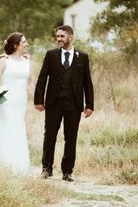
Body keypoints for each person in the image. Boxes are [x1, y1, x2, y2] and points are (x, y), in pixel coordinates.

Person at [34, 25, 94, 182]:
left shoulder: (83, 57)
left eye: (62, 36)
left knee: (71, 138)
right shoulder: (51, 55)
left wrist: (89, 104)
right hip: (53, 103)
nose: (59, 39)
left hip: (74, 104)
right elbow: (42, 78)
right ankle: (46, 169)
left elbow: (88, 82)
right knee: (50, 136)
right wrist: (38, 100)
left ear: (70, 37)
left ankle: (67, 171)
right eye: (57, 36)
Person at [0, 32, 34, 174]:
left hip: (21, 101)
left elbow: (30, 83)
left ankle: (18, 165)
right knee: (7, 127)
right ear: (15, 45)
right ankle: (3, 164)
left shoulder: (26, 61)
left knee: (18, 128)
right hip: (6, 101)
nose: (26, 44)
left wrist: (39, 99)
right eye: (24, 42)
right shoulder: (4, 60)